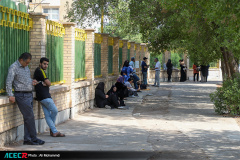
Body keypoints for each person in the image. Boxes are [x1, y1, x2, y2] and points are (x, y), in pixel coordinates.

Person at [6, 52, 45, 145]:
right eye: (26, 62)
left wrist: (33, 81)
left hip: (29, 94)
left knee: (28, 118)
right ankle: (34, 138)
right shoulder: (13, 67)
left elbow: (27, 79)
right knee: (30, 117)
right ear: (21, 60)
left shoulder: (25, 67)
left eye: (28, 63)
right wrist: (10, 95)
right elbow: (8, 81)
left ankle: (27, 139)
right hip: (21, 95)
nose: (27, 65)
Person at [33, 57, 65, 137]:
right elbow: (49, 83)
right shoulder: (40, 71)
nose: (46, 65)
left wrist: (45, 83)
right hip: (44, 96)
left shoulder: (39, 71)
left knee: (47, 115)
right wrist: (46, 83)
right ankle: (53, 130)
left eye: (47, 64)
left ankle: (53, 131)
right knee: (55, 111)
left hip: (42, 96)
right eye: (44, 63)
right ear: (40, 63)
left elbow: (46, 83)